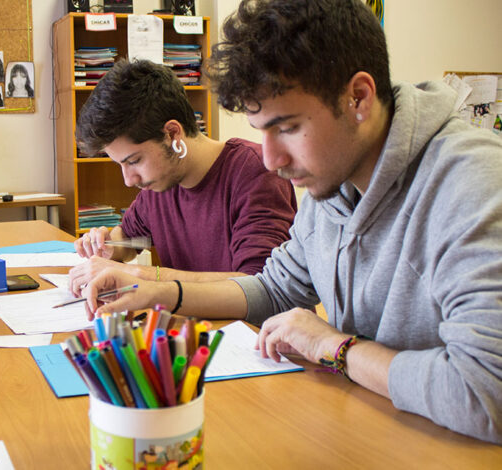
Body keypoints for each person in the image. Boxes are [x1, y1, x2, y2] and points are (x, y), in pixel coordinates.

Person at [82, 0, 502, 444]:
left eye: (287, 127)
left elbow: (486, 392)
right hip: (370, 427)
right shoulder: (333, 180)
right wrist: (161, 291)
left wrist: (337, 348)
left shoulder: (472, 185)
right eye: (261, 130)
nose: (270, 159)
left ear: (357, 97)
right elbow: (275, 288)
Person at [69, 59, 297, 295]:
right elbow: (131, 238)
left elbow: (259, 287)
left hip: (254, 330)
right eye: (120, 164)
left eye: (134, 161)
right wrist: (107, 246)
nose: (129, 180)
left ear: (172, 134)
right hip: (192, 326)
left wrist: (142, 275)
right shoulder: (160, 183)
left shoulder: (255, 172)